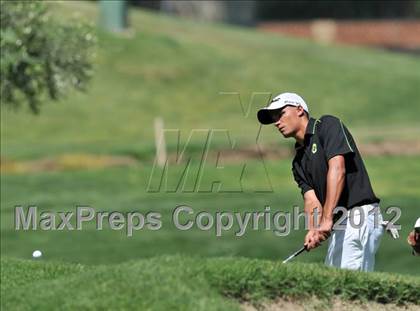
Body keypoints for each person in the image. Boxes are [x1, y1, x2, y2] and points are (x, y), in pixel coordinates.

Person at [257, 92, 384, 271]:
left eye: (281, 114)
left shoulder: (327, 126)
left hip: (359, 215)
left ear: (300, 110)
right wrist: (314, 229)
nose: (277, 121)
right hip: (339, 223)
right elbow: (311, 200)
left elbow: (338, 169)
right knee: (333, 280)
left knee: (345, 285)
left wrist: (326, 219)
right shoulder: (298, 162)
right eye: (273, 117)